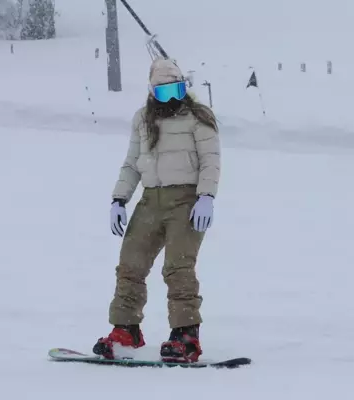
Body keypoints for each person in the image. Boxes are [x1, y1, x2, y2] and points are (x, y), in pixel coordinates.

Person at [92, 58, 221, 363]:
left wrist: (206, 196)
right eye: (164, 94)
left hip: (187, 201)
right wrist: (119, 199)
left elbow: (211, 160)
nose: (172, 99)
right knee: (130, 265)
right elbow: (132, 163)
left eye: (177, 90)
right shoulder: (142, 119)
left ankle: (185, 334)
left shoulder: (198, 117)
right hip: (151, 199)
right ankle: (126, 330)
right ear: (152, 93)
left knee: (177, 267)